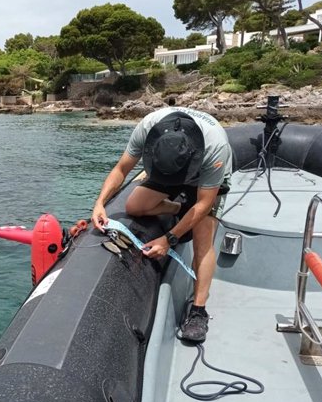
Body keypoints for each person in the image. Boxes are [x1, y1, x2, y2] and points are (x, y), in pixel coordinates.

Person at [92, 107, 232, 343]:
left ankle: (198, 310)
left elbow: (205, 203)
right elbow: (121, 169)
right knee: (134, 206)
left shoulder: (215, 148)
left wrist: (169, 239)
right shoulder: (147, 127)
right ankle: (179, 208)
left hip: (206, 179)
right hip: (169, 167)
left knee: (203, 238)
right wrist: (99, 203)